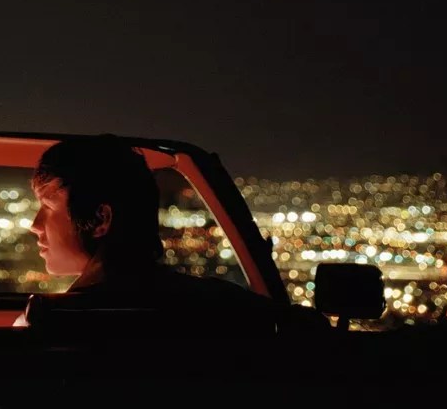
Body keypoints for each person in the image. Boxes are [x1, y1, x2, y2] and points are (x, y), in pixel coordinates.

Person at [20, 135, 276, 333]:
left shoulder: (47, 319)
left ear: (100, 219)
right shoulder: (232, 308)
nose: (35, 224)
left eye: (48, 206)